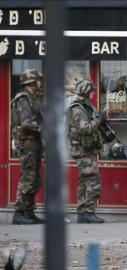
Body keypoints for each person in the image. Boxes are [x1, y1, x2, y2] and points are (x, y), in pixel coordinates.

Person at [67, 79, 105, 223]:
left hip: (87, 149)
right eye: (91, 91)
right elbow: (85, 129)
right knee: (92, 181)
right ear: (86, 91)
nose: (93, 93)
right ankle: (87, 212)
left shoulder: (85, 107)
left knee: (86, 181)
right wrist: (98, 121)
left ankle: (84, 213)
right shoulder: (77, 108)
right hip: (83, 150)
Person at [11, 69, 45, 225]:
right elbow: (26, 123)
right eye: (38, 81)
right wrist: (44, 128)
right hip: (28, 144)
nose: (40, 83)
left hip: (34, 143)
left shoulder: (32, 98)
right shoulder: (23, 99)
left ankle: (28, 211)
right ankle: (19, 213)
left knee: (34, 179)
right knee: (28, 178)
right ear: (32, 82)